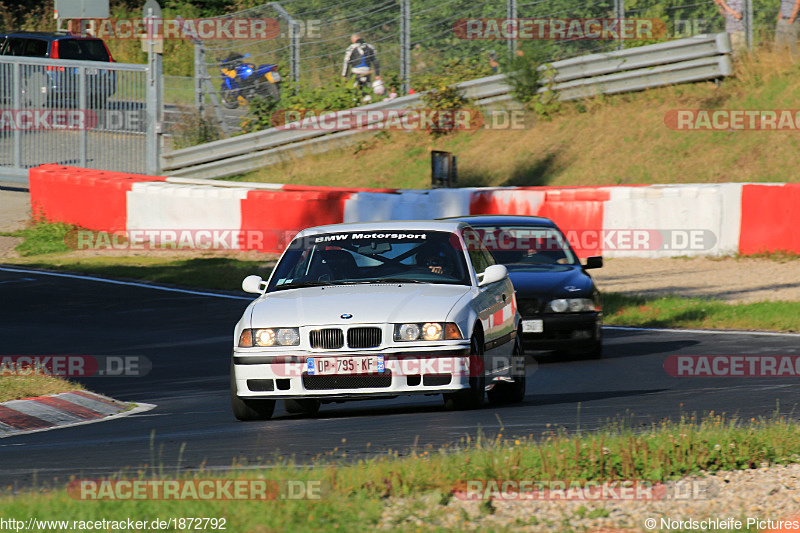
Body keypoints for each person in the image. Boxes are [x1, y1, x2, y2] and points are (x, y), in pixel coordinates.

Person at [342, 34, 381, 98]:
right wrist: (377, 74)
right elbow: (375, 61)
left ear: (353, 40)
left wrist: (344, 75)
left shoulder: (351, 47)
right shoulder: (370, 47)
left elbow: (346, 62)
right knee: (367, 90)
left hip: (356, 73)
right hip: (367, 72)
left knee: (355, 92)